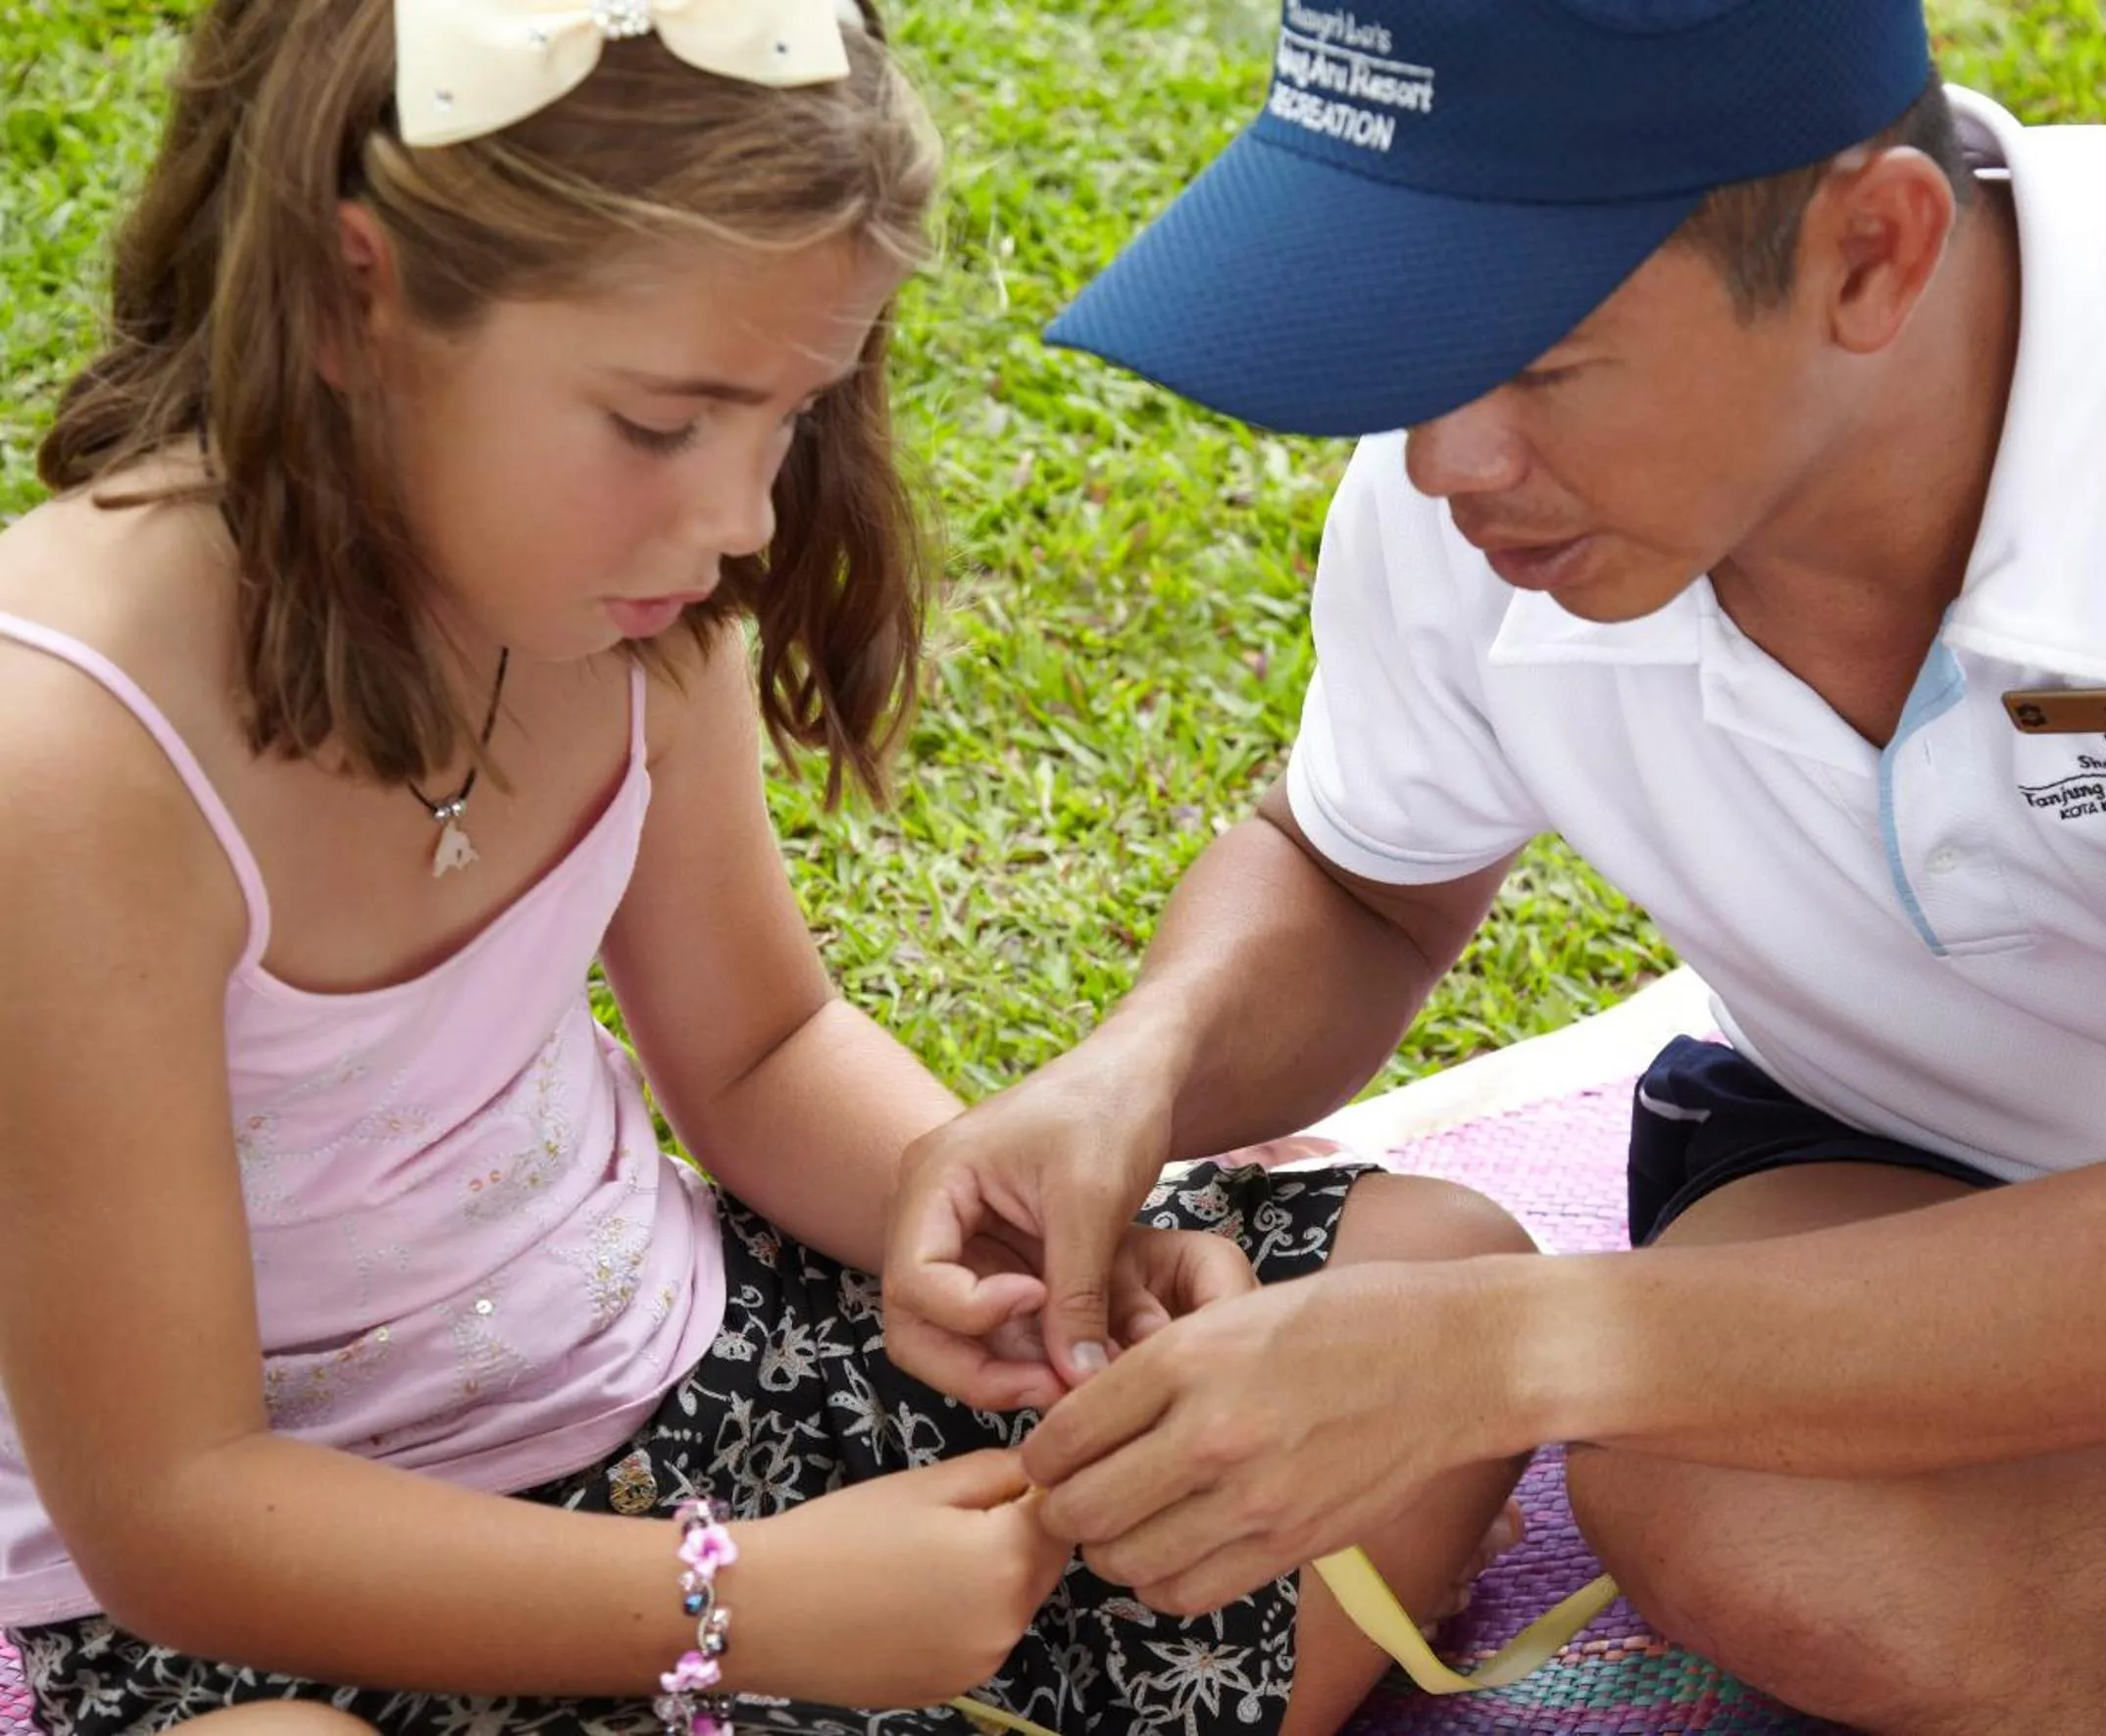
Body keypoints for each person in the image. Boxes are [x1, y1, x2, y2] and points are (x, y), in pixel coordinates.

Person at [884, 0, 2106, 1727]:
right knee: (1710, 1486)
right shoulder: (1474, 497)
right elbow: (1355, 881)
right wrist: (1138, 1065)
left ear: (1874, 250)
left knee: (1717, 1425)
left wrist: (1491, 1350)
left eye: (1538, 357)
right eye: (1419, 334)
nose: (1441, 459)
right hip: (1893, 1159)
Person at [0, 4, 1531, 1734]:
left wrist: (1032, 1266)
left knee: (1436, 1300)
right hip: (272, 1594)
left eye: (792, 418)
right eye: (664, 423)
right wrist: (743, 1602)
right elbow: (172, 1506)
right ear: (359, 298)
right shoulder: (66, 757)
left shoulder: (622, 601)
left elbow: (755, 1050)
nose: (744, 517)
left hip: (691, 1383)